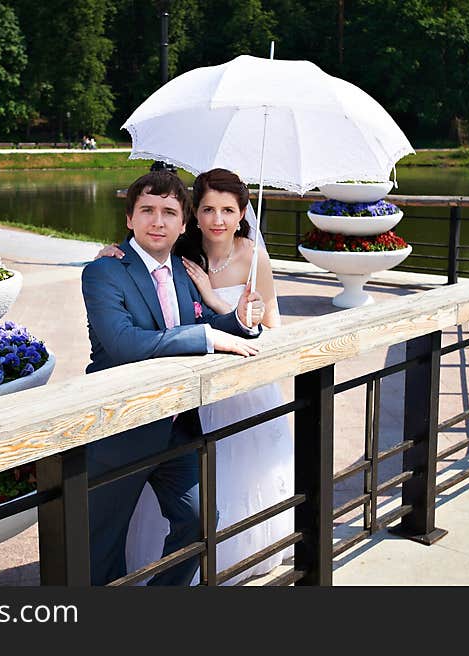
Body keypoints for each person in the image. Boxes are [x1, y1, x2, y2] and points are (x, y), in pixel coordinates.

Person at [96, 168, 294, 585]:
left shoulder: (203, 267)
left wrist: (243, 320)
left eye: (169, 212)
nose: (158, 221)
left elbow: (233, 323)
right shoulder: (130, 266)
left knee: (206, 516)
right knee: (105, 540)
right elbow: (126, 340)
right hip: (133, 419)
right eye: (147, 210)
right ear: (129, 218)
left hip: (186, 415)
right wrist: (107, 252)